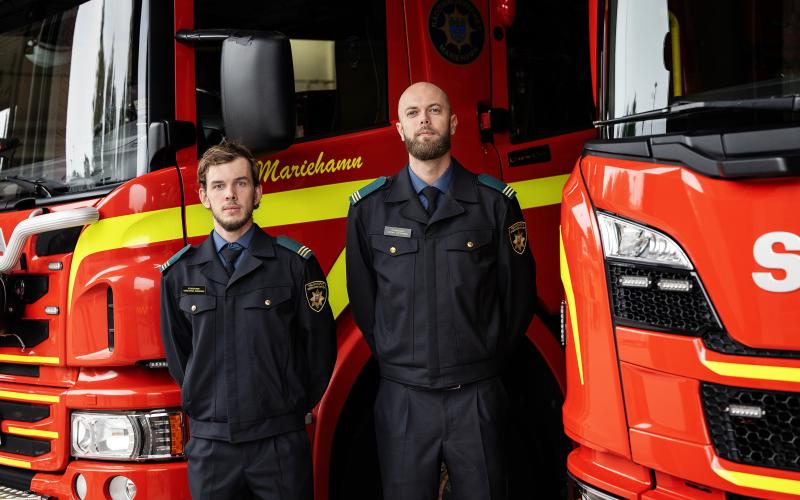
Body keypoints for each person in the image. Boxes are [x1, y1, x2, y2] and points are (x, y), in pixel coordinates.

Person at [345, 82, 537, 500]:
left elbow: (518, 297)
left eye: (434, 110)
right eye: (413, 113)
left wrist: (483, 357)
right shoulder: (368, 209)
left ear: (453, 122)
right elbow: (364, 301)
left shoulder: (494, 204)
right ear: (399, 129)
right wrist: (401, 360)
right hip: (404, 400)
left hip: (477, 396)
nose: (424, 120)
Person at [160, 141, 337, 500]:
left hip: (279, 445)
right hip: (212, 449)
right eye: (219, 186)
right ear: (203, 197)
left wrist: (286, 406)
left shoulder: (294, 265)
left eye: (241, 184)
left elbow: (320, 351)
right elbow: (180, 358)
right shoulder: (179, 274)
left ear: (258, 192)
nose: (230, 195)